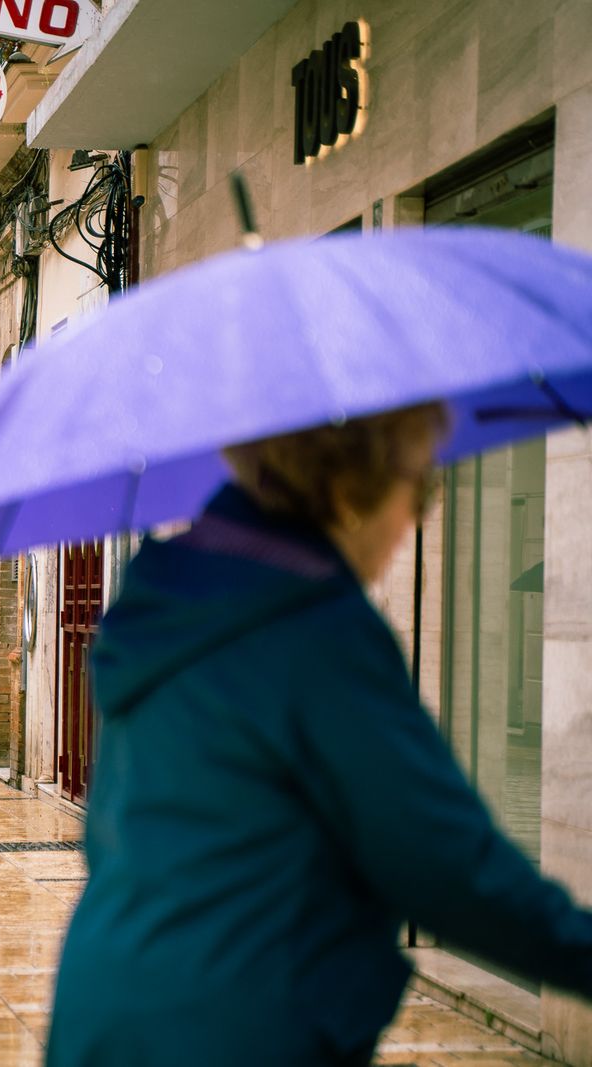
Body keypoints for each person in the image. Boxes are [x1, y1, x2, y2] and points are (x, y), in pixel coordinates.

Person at [48, 404, 592, 1067]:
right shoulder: (317, 631)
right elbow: (445, 863)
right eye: (417, 485)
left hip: (103, 1011)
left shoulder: (165, 602)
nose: (414, 517)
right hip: (231, 1030)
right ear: (348, 489)